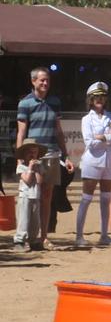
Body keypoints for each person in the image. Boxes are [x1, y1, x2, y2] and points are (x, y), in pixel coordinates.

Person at [14, 66, 72, 251]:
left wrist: (66, 154)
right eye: (42, 80)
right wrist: (20, 158)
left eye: (47, 80)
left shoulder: (55, 102)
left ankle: (43, 237)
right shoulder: (25, 103)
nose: (45, 83)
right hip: (34, 155)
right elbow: (21, 132)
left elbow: (58, 130)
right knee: (33, 196)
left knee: (47, 197)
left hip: (53, 153)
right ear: (33, 81)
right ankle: (29, 236)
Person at [76, 82, 111, 248]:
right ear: (90, 99)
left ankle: (104, 235)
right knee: (86, 199)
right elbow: (90, 143)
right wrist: (108, 137)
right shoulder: (86, 119)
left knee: (106, 199)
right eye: (96, 97)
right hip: (92, 162)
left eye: (102, 97)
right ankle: (79, 235)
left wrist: (102, 137)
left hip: (109, 161)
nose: (99, 99)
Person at [13, 139, 46, 252]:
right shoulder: (21, 167)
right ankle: (19, 240)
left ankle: (34, 240)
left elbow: (40, 181)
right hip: (25, 196)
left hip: (35, 196)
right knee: (24, 219)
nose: (32, 154)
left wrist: (37, 169)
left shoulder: (40, 167)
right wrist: (30, 168)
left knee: (35, 221)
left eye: (34, 152)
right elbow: (27, 180)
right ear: (24, 154)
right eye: (29, 152)